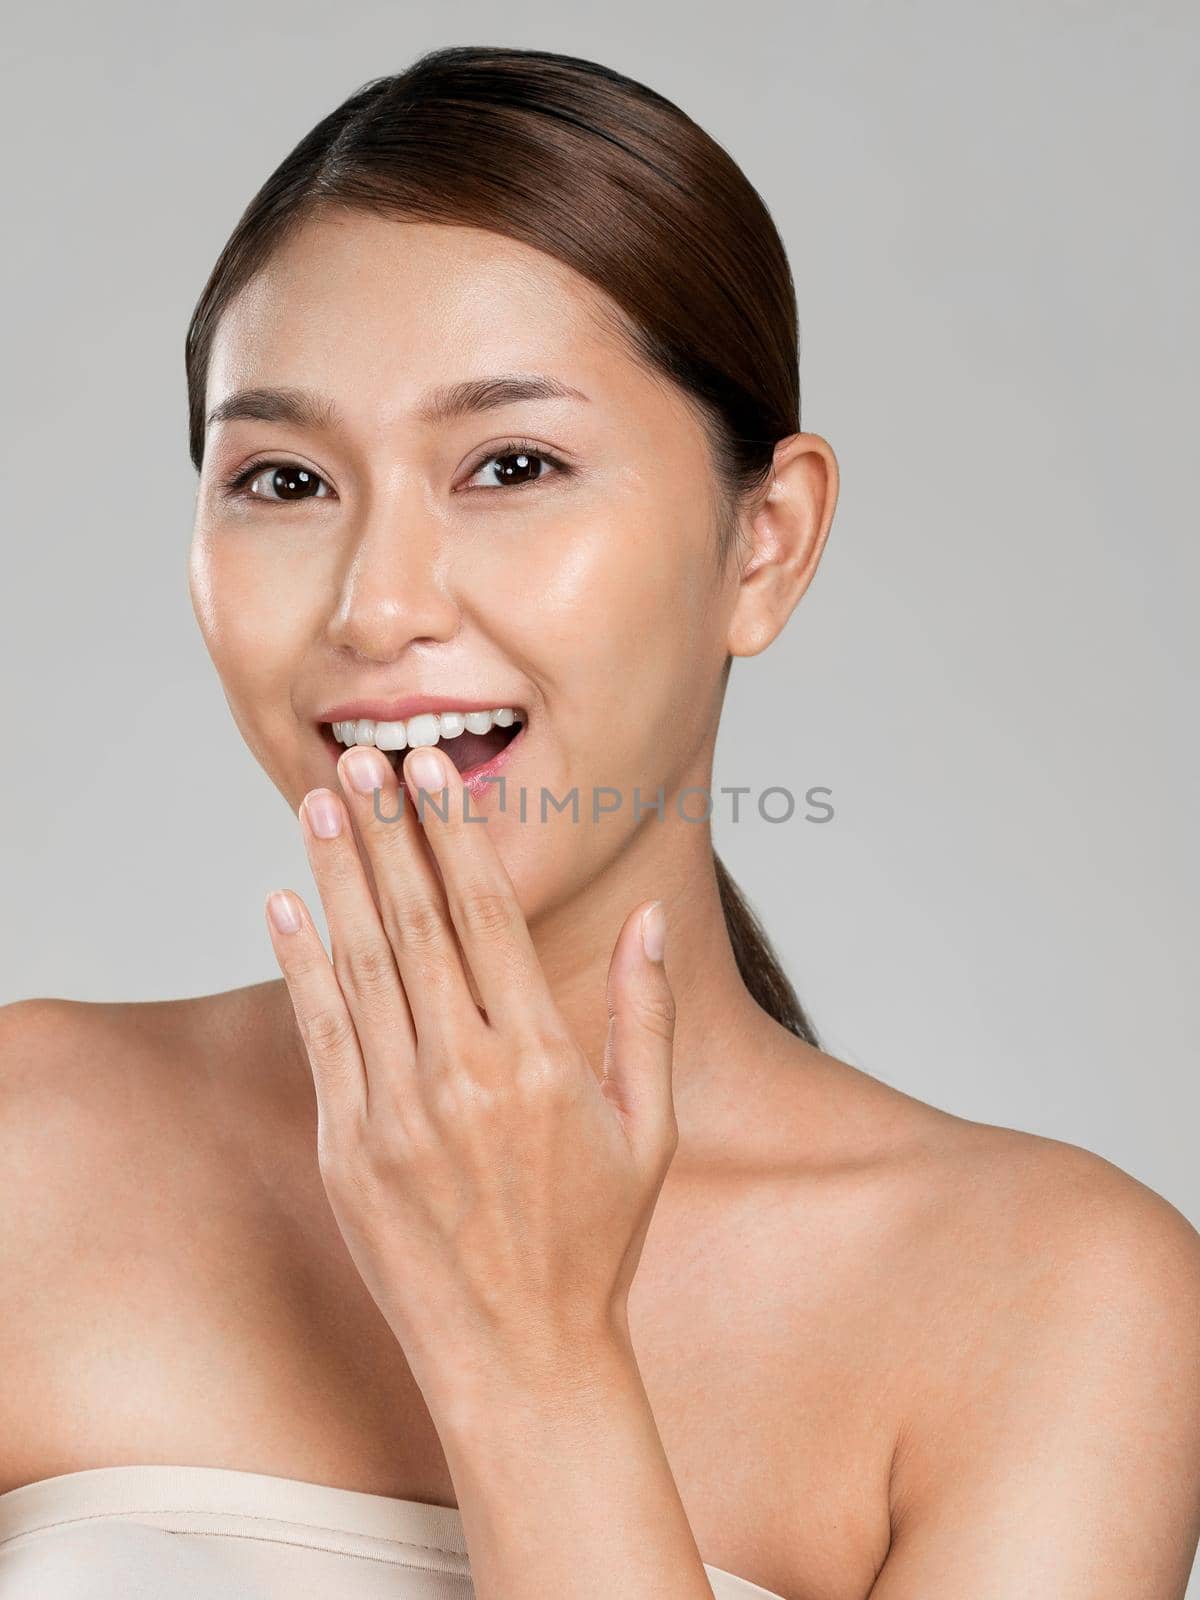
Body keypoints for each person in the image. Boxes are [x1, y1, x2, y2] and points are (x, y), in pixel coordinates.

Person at [2, 43, 1199, 1600]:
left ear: (765, 545)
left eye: (511, 465)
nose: (375, 607)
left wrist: (534, 1357)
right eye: (285, 480)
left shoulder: (1054, 1306)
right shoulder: (28, 1145)